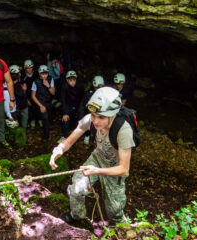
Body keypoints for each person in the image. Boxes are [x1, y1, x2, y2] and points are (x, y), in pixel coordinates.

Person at [50, 87, 134, 225]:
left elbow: (124, 169)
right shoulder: (91, 120)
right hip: (97, 159)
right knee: (76, 189)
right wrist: (59, 149)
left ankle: (120, 225)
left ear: (112, 115)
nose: (95, 121)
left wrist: (97, 171)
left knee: (114, 210)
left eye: (101, 117)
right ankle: (77, 217)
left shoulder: (123, 130)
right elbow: (70, 139)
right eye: (93, 115)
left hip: (114, 168)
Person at [77, 75, 105, 144]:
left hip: (100, 114)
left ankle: (97, 138)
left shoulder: (104, 94)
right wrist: (80, 116)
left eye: (100, 87)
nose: (99, 89)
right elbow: (82, 105)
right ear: (94, 86)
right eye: (97, 87)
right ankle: (87, 135)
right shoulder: (88, 94)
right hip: (90, 114)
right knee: (89, 124)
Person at [31, 65, 55, 142]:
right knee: (45, 118)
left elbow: (53, 93)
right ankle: (46, 136)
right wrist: (41, 106)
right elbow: (33, 96)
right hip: (41, 103)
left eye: (46, 73)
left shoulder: (50, 79)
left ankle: (47, 127)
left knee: (49, 117)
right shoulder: (35, 82)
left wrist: (48, 86)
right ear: (39, 74)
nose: (44, 75)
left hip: (49, 102)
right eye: (42, 73)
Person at [58, 70, 84, 143]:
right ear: (67, 80)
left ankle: (72, 130)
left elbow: (82, 98)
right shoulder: (64, 87)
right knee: (65, 118)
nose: (72, 82)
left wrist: (80, 109)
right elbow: (63, 100)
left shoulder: (80, 86)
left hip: (77, 105)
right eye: (70, 80)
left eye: (74, 80)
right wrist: (64, 113)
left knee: (75, 118)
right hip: (68, 105)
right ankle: (64, 136)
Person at [8, 65, 28, 129]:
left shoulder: (21, 80)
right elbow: (19, 93)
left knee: (24, 117)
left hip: (23, 104)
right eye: (18, 73)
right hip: (14, 105)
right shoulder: (10, 83)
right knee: (15, 121)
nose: (20, 74)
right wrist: (24, 90)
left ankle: (24, 129)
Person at [22, 59, 39, 130]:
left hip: (37, 94)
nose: (29, 69)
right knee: (30, 107)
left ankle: (39, 119)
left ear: (33, 67)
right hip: (28, 96)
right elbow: (22, 90)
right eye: (27, 68)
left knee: (38, 106)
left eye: (30, 67)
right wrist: (26, 99)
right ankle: (32, 120)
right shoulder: (23, 77)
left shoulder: (36, 74)